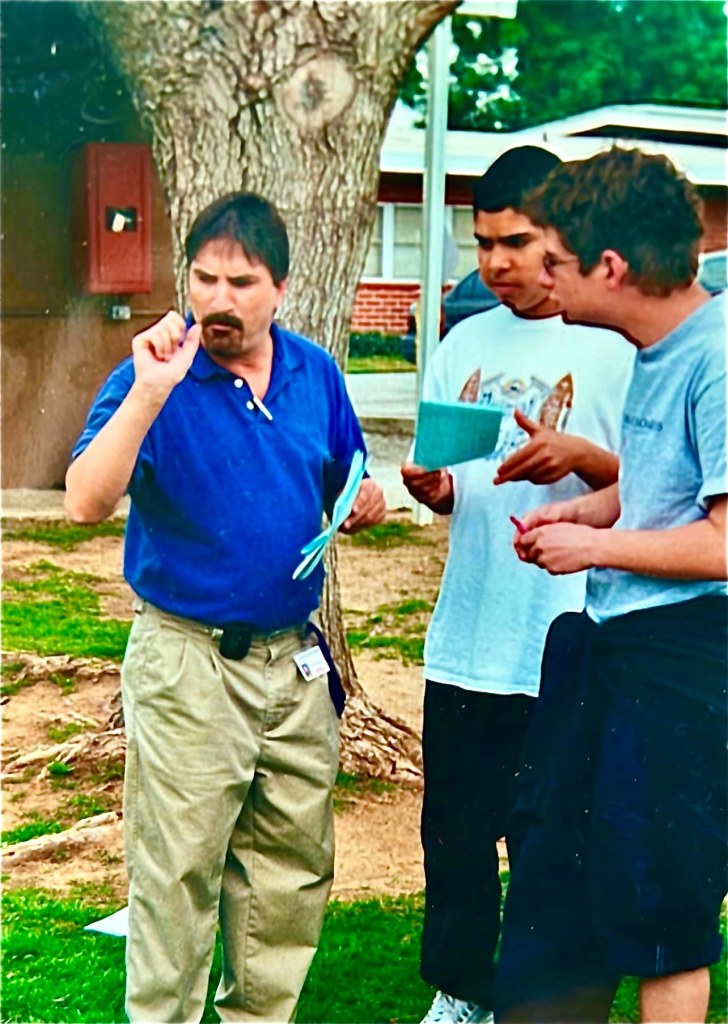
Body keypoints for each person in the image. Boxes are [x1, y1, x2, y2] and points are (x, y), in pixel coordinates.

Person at [65, 192, 386, 1023]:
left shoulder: (314, 372)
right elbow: (84, 501)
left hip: (294, 663)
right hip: (190, 660)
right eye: (203, 278)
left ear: (281, 287)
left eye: (241, 282)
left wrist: (363, 499)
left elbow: (343, 473)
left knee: (288, 872)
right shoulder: (154, 376)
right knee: (177, 873)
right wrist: (149, 393)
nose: (218, 298)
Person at [400, 146, 635, 1024]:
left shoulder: (613, 343)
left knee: (555, 837)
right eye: (483, 242)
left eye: (517, 241)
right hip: (469, 633)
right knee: (455, 831)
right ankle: (460, 989)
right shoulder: (463, 341)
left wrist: (584, 457)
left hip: (570, 634)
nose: (496, 262)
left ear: (561, 235)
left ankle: (538, 995)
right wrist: (435, 488)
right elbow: (456, 479)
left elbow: (664, 484)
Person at [494, 148, 727, 1024]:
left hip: (684, 668)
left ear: (613, 268)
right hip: (611, 651)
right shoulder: (656, 348)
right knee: (560, 881)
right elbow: (667, 486)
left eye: (555, 261)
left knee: (666, 910)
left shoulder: (718, 357)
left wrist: (596, 549)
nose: (540, 278)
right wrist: (585, 512)